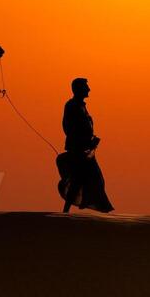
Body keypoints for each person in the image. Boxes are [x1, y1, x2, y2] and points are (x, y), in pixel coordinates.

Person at [58, 78, 115, 214]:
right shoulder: (72, 105)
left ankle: (97, 209)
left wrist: (90, 141)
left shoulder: (81, 106)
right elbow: (68, 127)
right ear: (79, 89)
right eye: (86, 87)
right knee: (80, 179)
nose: (88, 89)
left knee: (91, 179)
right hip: (78, 150)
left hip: (85, 149)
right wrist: (84, 141)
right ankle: (67, 211)